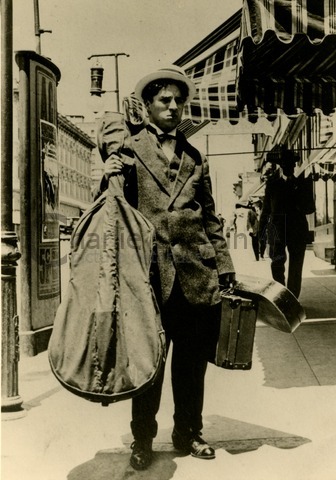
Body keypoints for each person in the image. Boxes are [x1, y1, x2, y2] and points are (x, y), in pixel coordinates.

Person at [98, 65, 235, 470]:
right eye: (165, 100)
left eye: (179, 101)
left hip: (196, 274)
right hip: (150, 277)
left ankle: (188, 432)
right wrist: (106, 177)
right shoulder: (129, 149)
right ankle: (143, 439)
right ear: (149, 105)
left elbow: (210, 217)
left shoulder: (195, 156)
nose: (174, 107)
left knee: (191, 366)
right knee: (149, 364)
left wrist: (224, 267)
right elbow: (112, 207)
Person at [259, 152, 315, 298]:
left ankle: (293, 299)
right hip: (277, 230)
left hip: (297, 231)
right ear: (281, 166)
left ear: (294, 166)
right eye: (285, 164)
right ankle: (282, 296)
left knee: (296, 267)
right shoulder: (272, 185)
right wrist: (261, 236)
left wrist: (301, 199)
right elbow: (265, 212)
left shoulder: (302, 184)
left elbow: (310, 208)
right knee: (277, 264)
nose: (288, 167)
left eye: (290, 164)